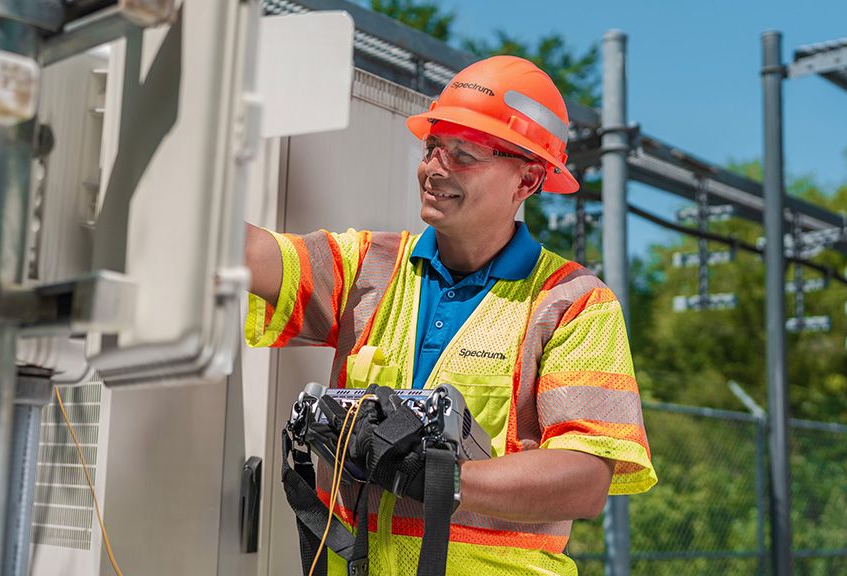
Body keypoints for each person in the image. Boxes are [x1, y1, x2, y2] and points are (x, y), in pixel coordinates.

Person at [245, 55, 657, 575]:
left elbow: (585, 479)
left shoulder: (571, 302)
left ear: (527, 180)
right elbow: (244, 255)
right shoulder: (366, 266)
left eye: (463, 154)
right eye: (432, 147)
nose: (434, 168)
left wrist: (443, 477)